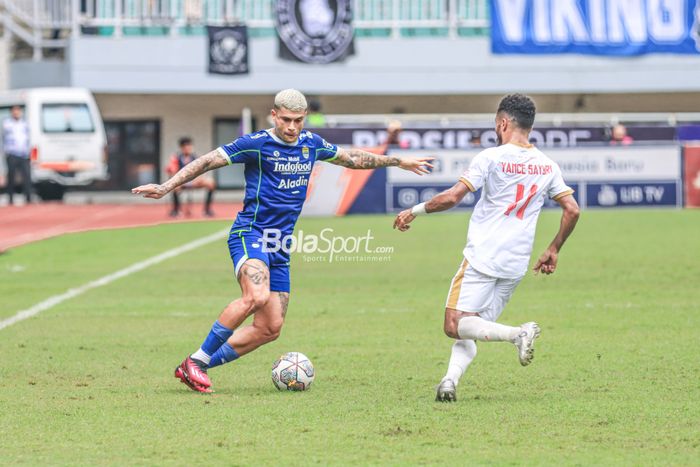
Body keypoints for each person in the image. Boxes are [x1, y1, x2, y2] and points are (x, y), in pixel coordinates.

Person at [132, 89, 433, 393]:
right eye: (286, 120)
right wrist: (167, 186)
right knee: (257, 296)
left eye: (298, 121)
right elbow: (209, 160)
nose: (292, 127)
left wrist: (397, 161)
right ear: (274, 115)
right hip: (251, 234)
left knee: (269, 328)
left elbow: (352, 158)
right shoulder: (256, 144)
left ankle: (195, 365)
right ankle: (196, 361)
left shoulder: (311, 144)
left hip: (280, 244)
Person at [393, 94, 580, 402]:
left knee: (455, 325)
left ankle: (517, 334)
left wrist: (413, 211)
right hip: (516, 262)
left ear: (502, 123)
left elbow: (452, 198)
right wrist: (554, 248)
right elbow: (572, 209)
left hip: (483, 256)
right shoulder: (548, 165)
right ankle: (449, 382)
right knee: (474, 325)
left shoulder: (491, 157)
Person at [166, 137, 216, 217]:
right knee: (175, 187)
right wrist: (179, 182)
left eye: (189, 146)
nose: (188, 148)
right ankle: (176, 210)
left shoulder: (196, 157)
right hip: (181, 182)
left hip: (194, 182)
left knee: (210, 183)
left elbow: (202, 170)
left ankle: (207, 210)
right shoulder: (176, 158)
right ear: (181, 148)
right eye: (185, 146)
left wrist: (199, 179)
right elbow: (173, 172)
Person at [2, 105, 32, 205]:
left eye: (18, 111)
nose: (16, 113)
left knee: (27, 176)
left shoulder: (24, 124)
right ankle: (10, 198)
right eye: (14, 111)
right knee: (11, 177)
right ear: (11, 112)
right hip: (12, 153)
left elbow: (29, 139)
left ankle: (28, 198)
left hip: (24, 154)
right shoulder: (6, 124)